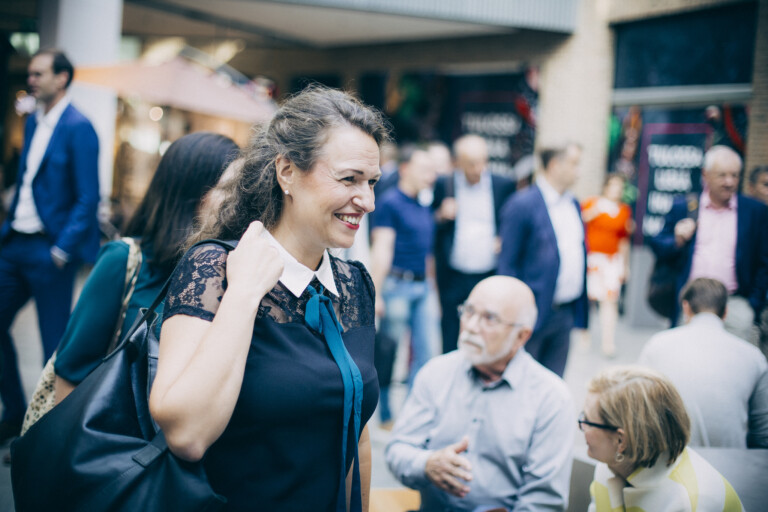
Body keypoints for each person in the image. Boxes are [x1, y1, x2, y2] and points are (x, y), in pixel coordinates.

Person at [149, 87, 389, 511]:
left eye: (371, 183)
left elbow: (358, 438)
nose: (366, 201)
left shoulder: (355, 286)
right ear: (287, 172)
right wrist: (244, 292)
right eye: (349, 179)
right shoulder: (215, 268)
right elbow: (186, 434)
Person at [53, 132, 239, 402]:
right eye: (229, 189)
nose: (240, 200)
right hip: (113, 439)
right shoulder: (122, 260)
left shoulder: (233, 274)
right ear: (192, 191)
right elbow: (69, 375)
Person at [386, 276, 574, 512]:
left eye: (489, 318)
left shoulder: (551, 398)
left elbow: (543, 502)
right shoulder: (436, 373)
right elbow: (397, 450)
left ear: (521, 336)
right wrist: (427, 464)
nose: (471, 326)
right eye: (469, 311)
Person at [0, 49, 99, 443]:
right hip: (14, 245)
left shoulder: (80, 127)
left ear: (62, 78)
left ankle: (46, 435)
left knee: (53, 347)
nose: (32, 79)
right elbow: (27, 182)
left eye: (39, 73)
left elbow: (88, 197)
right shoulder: (31, 122)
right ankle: (13, 413)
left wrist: (61, 250)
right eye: (31, 73)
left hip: (50, 251)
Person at [581, 366, 744, 512]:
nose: (580, 426)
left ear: (621, 441)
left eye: (587, 421)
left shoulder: (691, 502)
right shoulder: (611, 463)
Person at [649, 145, 768, 343]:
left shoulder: (755, 211)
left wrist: (753, 303)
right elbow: (658, 246)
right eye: (722, 175)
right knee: (686, 359)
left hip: (735, 303)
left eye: (735, 175)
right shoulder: (684, 207)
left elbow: (764, 262)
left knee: (735, 363)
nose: (729, 182)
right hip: (691, 301)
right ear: (706, 175)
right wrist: (677, 239)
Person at [637, 278, 768, 448]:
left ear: (686, 307)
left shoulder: (656, 344)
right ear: (726, 312)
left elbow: (636, 407)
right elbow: (763, 433)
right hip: (729, 465)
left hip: (669, 459)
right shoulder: (754, 357)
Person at [497, 142, 588, 377]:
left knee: (553, 385)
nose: (579, 171)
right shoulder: (522, 204)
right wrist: (513, 315)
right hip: (532, 314)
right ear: (555, 165)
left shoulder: (573, 204)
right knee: (522, 383)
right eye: (574, 164)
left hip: (564, 313)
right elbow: (507, 265)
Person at [370, 144, 437, 426]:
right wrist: (376, 293)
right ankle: (385, 412)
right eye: (425, 169)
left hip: (423, 288)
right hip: (396, 286)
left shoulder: (424, 204)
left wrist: (433, 290)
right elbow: (382, 248)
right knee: (388, 351)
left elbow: (428, 252)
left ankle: (411, 415)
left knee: (428, 354)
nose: (430, 175)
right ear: (406, 169)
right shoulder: (389, 203)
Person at [432, 135, 516, 354]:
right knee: (451, 331)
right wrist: (441, 214)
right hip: (453, 274)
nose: (479, 168)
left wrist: (504, 238)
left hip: (488, 272)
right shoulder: (444, 184)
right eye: (472, 163)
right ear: (457, 162)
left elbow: (511, 219)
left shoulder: (503, 184)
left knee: (488, 329)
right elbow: (430, 223)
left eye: (483, 161)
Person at [580, 174, 632, 357]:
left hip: (612, 261)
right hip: (592, 259)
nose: (616, 190)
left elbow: (623, 240)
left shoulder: (624, 210)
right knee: (588, 299)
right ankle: (583, 334)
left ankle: (607, 341)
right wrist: (593, 211)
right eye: (613, 186)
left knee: (610, 301)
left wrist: (625, 265)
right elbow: (579, 222)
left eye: (620, 187)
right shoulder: (592, 203)